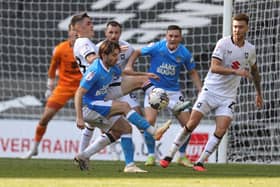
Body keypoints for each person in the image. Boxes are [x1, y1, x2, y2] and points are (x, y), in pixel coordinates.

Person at [159, 13, 263, 171]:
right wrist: (236, 72)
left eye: (240, 27)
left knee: (222, 128)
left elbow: (254, 71)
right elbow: (214, 67)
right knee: (191, 123)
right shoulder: (223, 43)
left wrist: (258, 93)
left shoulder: (250, 49)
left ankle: (200, 162)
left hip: (228, 96)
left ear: (247, 28)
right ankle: (169, 155)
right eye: (235, 26)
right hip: (211, 90)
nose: (237, 30)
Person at [73, 40, 171, 171]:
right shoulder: (95, 70)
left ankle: (86, 156)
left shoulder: (112, 67)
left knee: (125, 129)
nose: (116, 58)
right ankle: (153, 132)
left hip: (98, 103)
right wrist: (79, 117)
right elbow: (79, 93)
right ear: (103, 55)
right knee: (124, 106)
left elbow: (124, 73)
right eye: (113, 55)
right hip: (88, 107)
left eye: (117, 55)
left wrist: (145, 75)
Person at [124, 25, 202, 167]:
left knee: (188, 124)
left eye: (176, 36)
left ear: (181, 38)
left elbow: (192, 72)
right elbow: (137, 52)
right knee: (150, 121)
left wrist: (200, 89)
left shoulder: (184, 53)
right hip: (153, 90)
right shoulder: (157, 47)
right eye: (170, 36)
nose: (172, 39)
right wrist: (130, 66)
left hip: (173, 92)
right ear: (166, 36)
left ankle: (182, 156)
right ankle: (151, 155)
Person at [22, 24, 82, 159]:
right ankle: (34, 148)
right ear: (69, 34)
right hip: (64, 87)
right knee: (45, 117)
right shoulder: (61, 49)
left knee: (99, 116)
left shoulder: (87, 49)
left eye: (78, 33)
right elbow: (52, 68)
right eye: (73, 33)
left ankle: (113, 151)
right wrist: (49, 87)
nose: (75, 35)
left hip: (82, 88)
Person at [96, 21, 147, 172]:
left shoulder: (128, 48)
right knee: (102, 123)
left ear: (120, 33)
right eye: (110, 32)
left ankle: (152, 153)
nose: (113, 35)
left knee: (138, 115)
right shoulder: (98, 48)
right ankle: (112, 151)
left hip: (120, 87)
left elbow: (128, 70)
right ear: (106, 33)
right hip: (104, 89)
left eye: (116, 32)